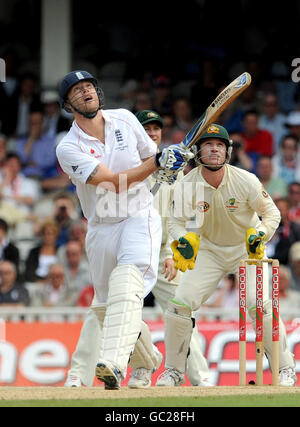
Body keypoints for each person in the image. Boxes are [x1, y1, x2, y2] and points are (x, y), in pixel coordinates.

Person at [56, 70, 191, 390]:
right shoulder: (68, 147)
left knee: (127, 287)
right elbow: (112, 183)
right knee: (106, 308)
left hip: (138, 216)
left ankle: (114, 364)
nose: (86, 91)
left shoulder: (126, 119)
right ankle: (147, 359)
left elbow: (150, 159)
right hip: (100, 227)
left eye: (89, 86)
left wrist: (170, 165)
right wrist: (159, 161)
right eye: (77, 90)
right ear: (67, 104)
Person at [156, 123, 297, 387]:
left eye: (219, 144)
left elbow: (272, 214)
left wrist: (260, 235)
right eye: (208, 144)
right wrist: (182, 240)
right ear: (198, 152)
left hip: (246, 249)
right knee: (179, 305)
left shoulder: (245, 180)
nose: (214, 149)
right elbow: (175, 223)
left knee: (260, 307)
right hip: (209, 249)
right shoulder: (188, 184)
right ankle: (173, 371)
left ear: (227, 151)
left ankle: (284, 368)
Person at [23, 219, 59, 283]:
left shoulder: (60, 251)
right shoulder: (33, 252)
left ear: (55, 235)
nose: (48, 236)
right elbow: (29, 271)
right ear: (42, 235)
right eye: (45, 233)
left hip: (55, 282)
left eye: (50, 234)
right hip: (37, 282)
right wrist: (38, 281)